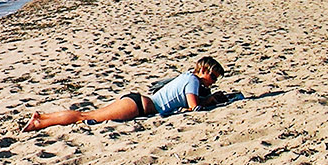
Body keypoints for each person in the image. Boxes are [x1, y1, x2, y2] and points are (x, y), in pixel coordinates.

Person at [22, 56, 229, 132]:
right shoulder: (193, 81)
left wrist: (209, 97)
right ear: (202, 70)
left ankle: (43, 118)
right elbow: (194, 107)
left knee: (87, 114)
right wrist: (211, 100)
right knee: (84, 117)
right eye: (213, 76)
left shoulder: (186, 76)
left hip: (137, 101)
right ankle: (40, 122)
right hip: (140, 106)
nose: (213, 81)